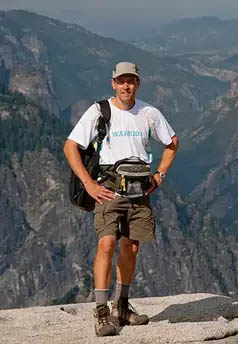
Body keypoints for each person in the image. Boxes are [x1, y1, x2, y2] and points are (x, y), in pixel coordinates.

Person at [63, 62, 179, 337]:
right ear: (113, 83)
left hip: (139, 192)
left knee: (132, 248)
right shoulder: (100, 111)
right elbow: (70, 146)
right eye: (122, 81)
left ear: (138, 83)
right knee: (106, 244)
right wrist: (89, 184)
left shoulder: (149, 113)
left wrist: (160, 175)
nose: (127, 86)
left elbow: (172, 142)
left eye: (132, 81)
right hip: (109, 189)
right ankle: (102, 313)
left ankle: (122, 307)